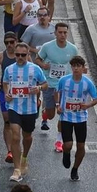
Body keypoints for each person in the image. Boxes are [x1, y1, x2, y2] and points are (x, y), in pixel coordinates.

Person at [0, 40, 47, 182]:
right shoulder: (9, 69)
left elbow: (45, 84)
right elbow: (6, 83)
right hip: (14, 107)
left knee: (27, 137)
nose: (20, 57)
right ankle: (16, 168)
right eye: (18, 55)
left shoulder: (35, 69)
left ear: (27, 55)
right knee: (15, 136)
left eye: (23, 55)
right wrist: (7, 93)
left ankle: (24, 157)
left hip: (30, 109)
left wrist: (38, 88)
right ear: (14, 54)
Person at [34, 23, 78, 154]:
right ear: (55, 33)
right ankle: (45, 113)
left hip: (66, 86)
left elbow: (77, 65)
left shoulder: (73, 49)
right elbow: (37, 59)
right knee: (51, 114)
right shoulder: (47, 47)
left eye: (65, 32)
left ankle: (59, 141)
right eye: (60, 32)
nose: (63, 35)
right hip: (50, 84)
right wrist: (43, 65)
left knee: (63, 113)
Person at [55, 56, 97, 180]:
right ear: (71, 67)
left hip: (81, 118)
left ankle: (75, 169)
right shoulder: (64, 80)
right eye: (74, 66)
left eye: (78, 66)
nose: (75, 68)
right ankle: (66, 153)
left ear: (83, 68)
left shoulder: (87, 83)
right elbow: (56, 92)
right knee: (68, 144)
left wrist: (88, 105)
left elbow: (96, 98)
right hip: (66, 117)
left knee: (80, 146)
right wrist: (58, 105)